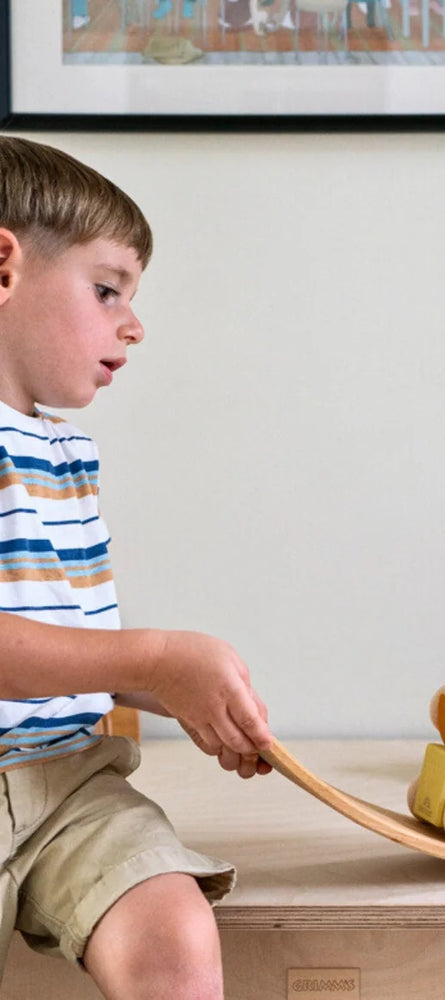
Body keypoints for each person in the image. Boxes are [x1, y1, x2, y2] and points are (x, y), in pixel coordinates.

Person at [0, 135, 274, 999]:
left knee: (173, 928)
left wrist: (165, 691)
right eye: (107, 288)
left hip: (70, 786)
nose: (134, 324)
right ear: (3, 267)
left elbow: (59, 647)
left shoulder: (58, 452)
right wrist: (150, 659)